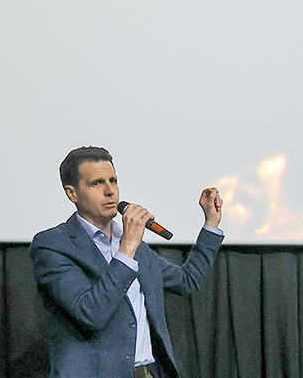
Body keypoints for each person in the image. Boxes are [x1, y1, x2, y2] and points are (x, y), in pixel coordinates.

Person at [30, 146, 224, 378]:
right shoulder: (53, 245)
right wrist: (128, 247)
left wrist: (210, 224)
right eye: (97, 183)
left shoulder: (134, 247)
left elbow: (187, 281)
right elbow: (90, 314)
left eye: (113, 180)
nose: (110, 191)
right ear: (72, 193)